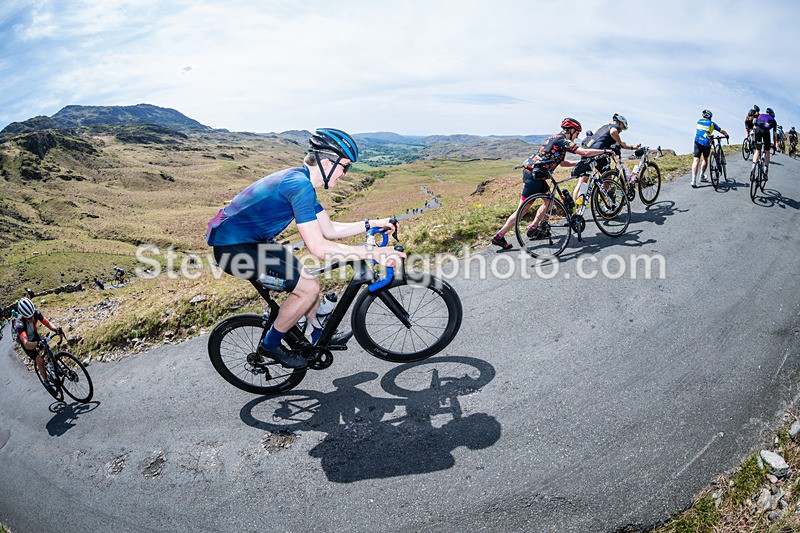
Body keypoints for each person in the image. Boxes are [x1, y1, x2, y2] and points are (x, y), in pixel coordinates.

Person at [206, 128, 405, 369]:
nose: (345, 174)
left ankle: (317, 335)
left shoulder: (302, 182)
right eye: (345, 167)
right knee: (308, 288)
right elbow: (319, 248)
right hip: (233, 251)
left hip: (254, 242)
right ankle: (270, 345)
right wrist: (374, 253)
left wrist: (372, 223)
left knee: (307, 279)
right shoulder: (298, 185)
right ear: (327, 162)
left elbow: (329, 229)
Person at [491, 118, 613, 249]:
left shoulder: (554, 138)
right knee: (522, 210)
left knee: (549, 202)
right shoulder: (563, 140)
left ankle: (533, 228)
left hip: (537, 174)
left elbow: (562, 163)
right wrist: (605, 151)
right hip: (534, 176)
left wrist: (579, 163)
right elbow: (585, 152)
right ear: (571, 130)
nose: (577, 137)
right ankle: (499, 236)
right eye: (577, 133)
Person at [570, 113, 641, 203]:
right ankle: (599, 202)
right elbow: (614, 133)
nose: (621, 131)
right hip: (598, 153)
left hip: (587, 151)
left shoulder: (604, 128)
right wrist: (619, 143)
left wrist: (632, 147)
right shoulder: (615, 127)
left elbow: (621, 144)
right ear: (621, 123)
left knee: (583, 181)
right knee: (608, 178)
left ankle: (575, 206)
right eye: (622, 128)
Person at [12, 297, 64, 391]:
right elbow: (26, 343)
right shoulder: (19, 323)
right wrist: (37, 344)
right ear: (24, 316)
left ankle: (52, 365)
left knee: (47, 347)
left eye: (32, 316)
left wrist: (56, 329)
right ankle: (46, 381)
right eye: (29, 318)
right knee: (40, 361)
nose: (32, 318)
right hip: (27, 343)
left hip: (34, 336)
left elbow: (47, 323)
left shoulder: (35, 313)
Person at [691, 110, 729, 188]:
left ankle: (693, 180)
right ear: (710, 117)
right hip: (706, 143)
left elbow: (702, 131)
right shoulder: (712, 123)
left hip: (697, 142)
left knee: (696, 160)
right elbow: (721, 130)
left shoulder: (698, 121)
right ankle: (701, 175)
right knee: (705, 159)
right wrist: (726, 134)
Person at [751, 108, 778, 182]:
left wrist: (754, 139)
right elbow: (775, 135)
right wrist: (774, 145)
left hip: (757, 130)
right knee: (767, 151)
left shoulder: (760, 115)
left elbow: (754, 127)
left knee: (758, 150)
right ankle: (765, 170)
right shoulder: (774, 121)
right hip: (765, 132)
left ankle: (753, 167)